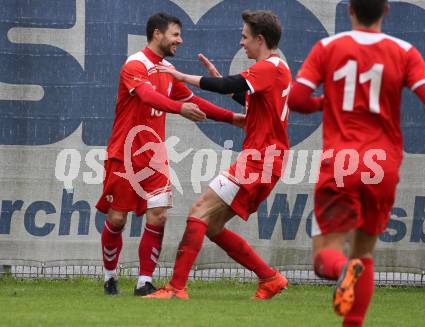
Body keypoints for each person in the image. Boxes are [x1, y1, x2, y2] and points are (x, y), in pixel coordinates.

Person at [288, 0, 425, 325]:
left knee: (326, 254)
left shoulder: (328, 47)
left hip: (342, 161)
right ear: (386, 9)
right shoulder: (404, 50)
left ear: (350, 10)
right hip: (382, 165)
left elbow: (297, 99)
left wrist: (323, 104)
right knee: (364, 253)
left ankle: (342, 268)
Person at [96, 12, 244, 296]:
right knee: (117, 219)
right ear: (157, 33)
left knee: (159, 216)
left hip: (154, 157)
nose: (180, 39)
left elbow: (192, 100)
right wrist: (179, 110)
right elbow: (147, 96)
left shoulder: (166, 68)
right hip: (124, 154)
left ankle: (144, 282)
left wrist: (230, 117)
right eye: (175, 34)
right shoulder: (135, 64)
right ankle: (110, 277)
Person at [146, 10, 291, 300]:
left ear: (260, 39)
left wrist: (181, 76)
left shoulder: (270, 67)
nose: (241, 42)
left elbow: (230, 84)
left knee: (198, 211)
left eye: (245, 36)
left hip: (259, 159)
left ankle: (176, 288)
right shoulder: (276, 70)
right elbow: (249, 97)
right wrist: (223, 84)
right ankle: (270, 278)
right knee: (210, 224)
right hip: (266, 160)